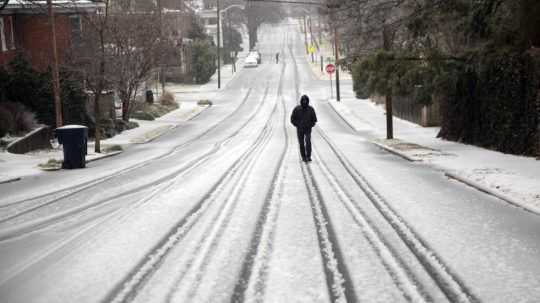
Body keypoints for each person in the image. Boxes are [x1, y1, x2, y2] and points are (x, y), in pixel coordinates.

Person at [291, 95, 317, 162]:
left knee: (308, 141)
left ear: (307, 101)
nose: (304, 102)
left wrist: (311, 124)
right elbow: (292, 119)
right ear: (301, 101)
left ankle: (308, 156)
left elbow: (314, 119)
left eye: (306, 100)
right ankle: (303, 156)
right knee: (301, 143)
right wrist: (297, 124)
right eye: (303, 100)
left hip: (308, 129)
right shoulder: (297, 109)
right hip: (300, 129)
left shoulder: (311, 109)